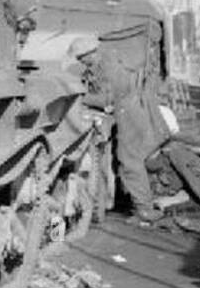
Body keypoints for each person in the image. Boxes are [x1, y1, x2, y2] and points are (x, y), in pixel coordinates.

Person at [69, 34, 164, 222]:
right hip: (124, 114)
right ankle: (140, 205)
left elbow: (109, 99)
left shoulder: (109, 66)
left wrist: (79, 97)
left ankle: (145, 210)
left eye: (81, 58)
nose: (80, 62)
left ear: (90, 53)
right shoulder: (98, 66)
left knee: (130, 161)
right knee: (128, 161)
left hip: (129, 115)